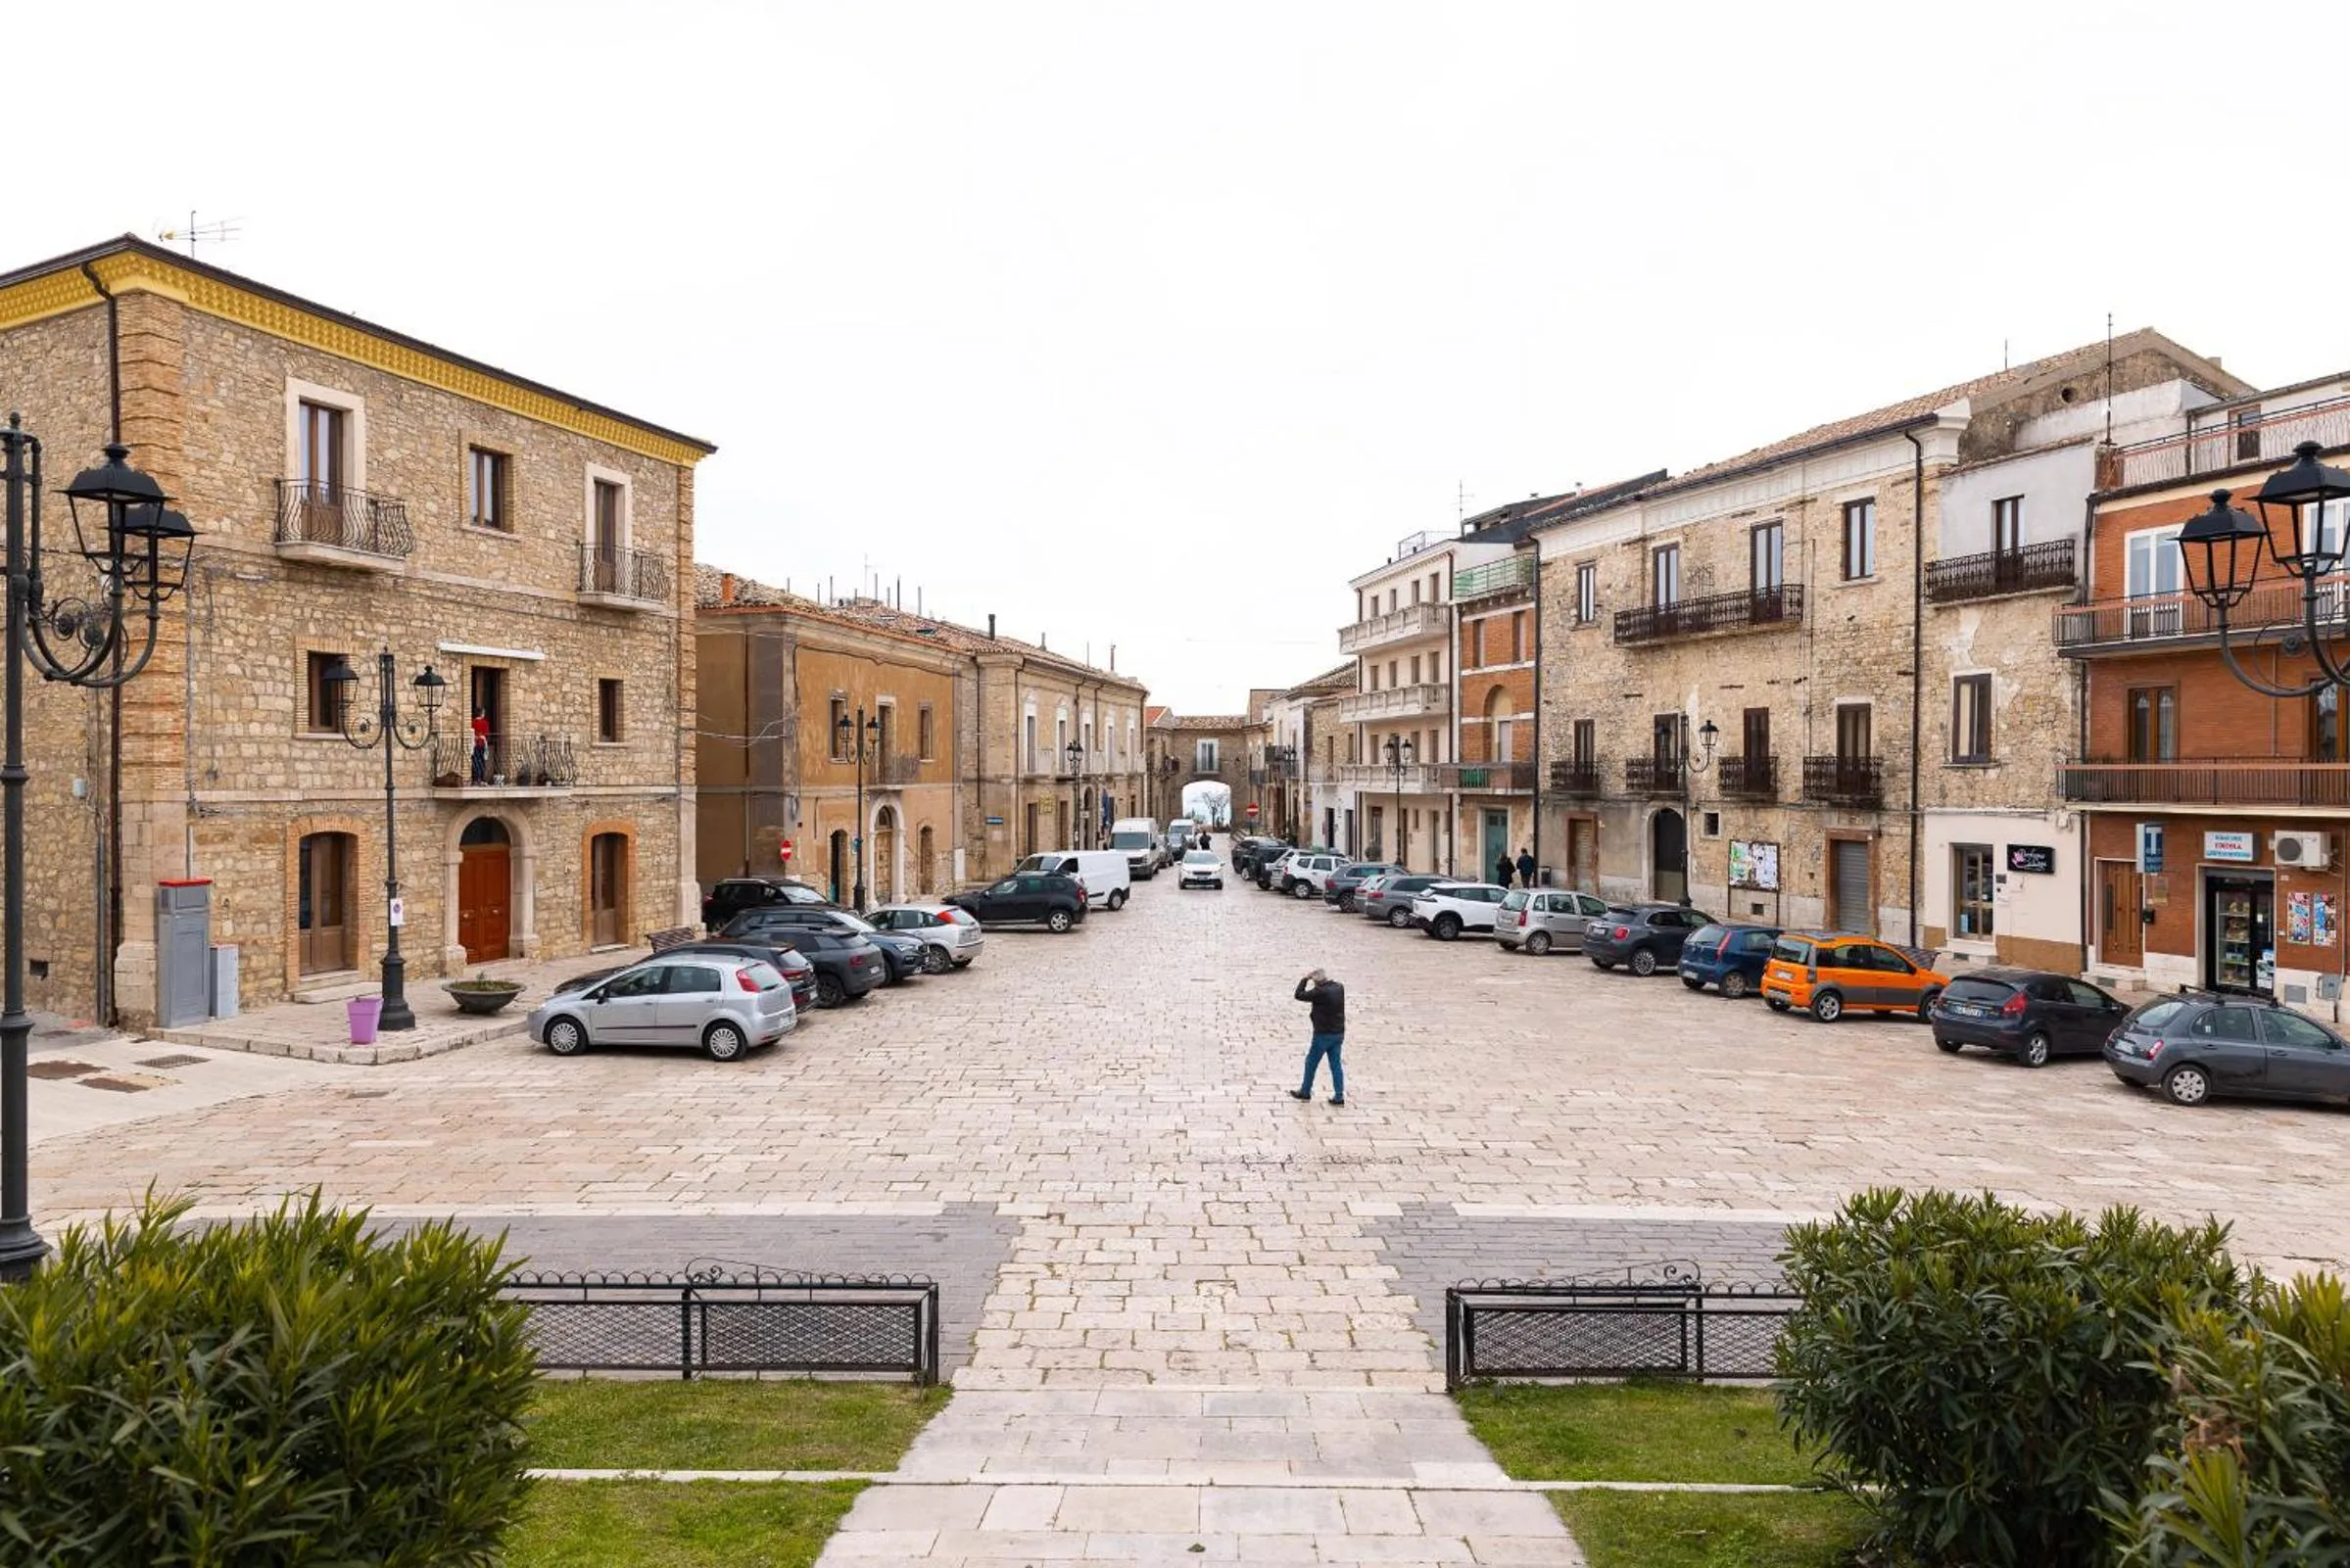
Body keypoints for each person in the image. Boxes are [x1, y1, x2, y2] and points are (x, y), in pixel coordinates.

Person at [1290, 968, 1345, 1106]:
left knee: (1311, 1062)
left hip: (1323, 1034)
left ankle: (1305, 1091)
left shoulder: (1320, 992)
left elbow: (1299, 995)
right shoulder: (1339, 987)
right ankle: (1339, 1096)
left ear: (1316, 982)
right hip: (1338, 1033)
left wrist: (1304, 979)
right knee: (1336, 1065)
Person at [469, 706, 491, 784]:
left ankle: (476, 778)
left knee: (475, 761)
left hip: (474, 743)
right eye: (483, 713)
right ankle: (481, 778)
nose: (484, 714)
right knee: (482, 761)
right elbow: (486, 733)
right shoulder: (485, 722)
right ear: (481, 714)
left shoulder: (472, 722)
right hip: (482, 743)